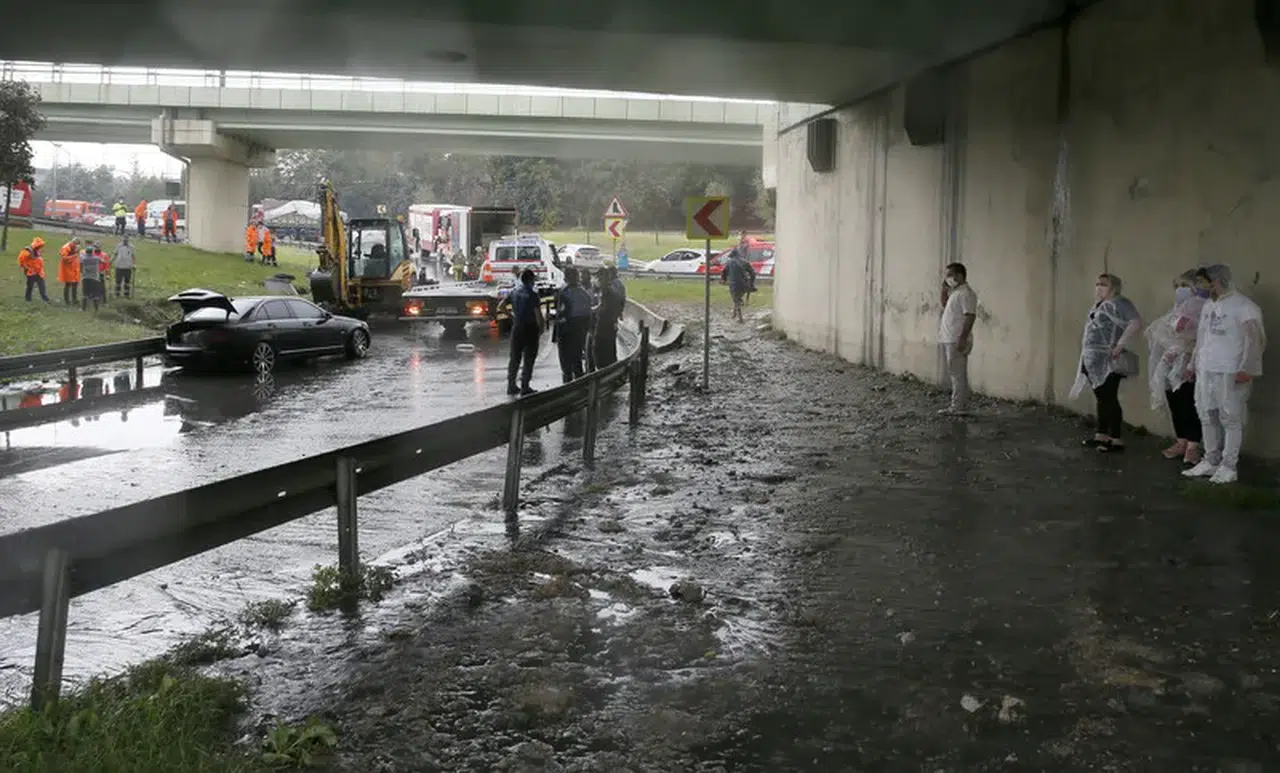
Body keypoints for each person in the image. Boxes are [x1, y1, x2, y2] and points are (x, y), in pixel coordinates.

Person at [1182, 264, 1266, 484]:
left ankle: (1229, 465)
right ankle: (1210, 460)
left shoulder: (1244, 307)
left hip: (1230, 370)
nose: (1199, 287)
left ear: (1217, 281)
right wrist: (1193, 364)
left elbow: (1255, 340)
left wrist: (1248, 368)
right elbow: (1202, 338)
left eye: (1203, 282)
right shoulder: (1209, 305)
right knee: (1206, 414)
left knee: (1231, 417)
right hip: (1206, 369)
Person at [1069, 273, 1143, 452]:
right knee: (1101, 397)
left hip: (1108, 359)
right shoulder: (1099, 305)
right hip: (1092, 358)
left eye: (1103, 284)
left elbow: (1135, 322)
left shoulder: (1120, 303)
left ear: (1114, 287)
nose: (1099, 287)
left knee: (1110, 397)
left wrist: (1120, 344)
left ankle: (1116, 438)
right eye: (1097, 284)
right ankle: (1101, 434)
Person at [1144, 269, 1207, 464]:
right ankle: (1181, 440)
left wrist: (1189, 356)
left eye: (1185, 286)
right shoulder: (1176, 309)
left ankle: (1193, 446)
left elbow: (1202, 337)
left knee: (1189, 403)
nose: (1181, 290)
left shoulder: (1203, 307)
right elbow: (1163, 330)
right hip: (1171, 361)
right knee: (1174, 401)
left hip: (1190, 362)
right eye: (1178, 286)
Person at [938, 262, 979, 415]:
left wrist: (962, 338)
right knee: (955, 373)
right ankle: (958, 405)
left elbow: (970, 316)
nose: (947, 278)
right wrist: (943, 291)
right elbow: (945, 305)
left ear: (959, 275)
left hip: (956, 339)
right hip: (950, 338)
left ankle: (958, 407)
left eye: (949, 275)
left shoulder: (966, 294)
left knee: (957, 374)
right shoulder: (956, 293)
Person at [506, 269, 544, 396]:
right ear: (531, 280)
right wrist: (541, 329)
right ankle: (525, 386)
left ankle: (511, 385)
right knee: (529, 358)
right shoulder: (533, 295)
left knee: (515, 358)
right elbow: (538, 314)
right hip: (530, 328)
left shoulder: (515, 292)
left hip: (517, 328)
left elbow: (500, 306)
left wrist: (512, 317)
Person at [554, 266, 593, 383]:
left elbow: (561, 314)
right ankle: (580, 385)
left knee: (565, 361)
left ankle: (567, 384)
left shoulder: (564, 293)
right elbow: (588, 314)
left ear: (566, 277)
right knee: (577, 359)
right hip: (580, 330)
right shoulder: (584, 294)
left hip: (566, 330)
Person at [594, 266, 626, 368]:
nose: (598, 280)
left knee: (602, 350)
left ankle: (606, 373)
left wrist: (594, 311)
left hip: (605, 325)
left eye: (600, 278)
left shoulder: (609, 291)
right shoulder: (605, 290)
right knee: (608, 349)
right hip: (609, 324)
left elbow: (605, 308)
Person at [720, 247, 756, 322]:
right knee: (737, 298)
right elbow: (753, 273)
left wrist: (723, 280)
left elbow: (723, 272)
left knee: (736, 300)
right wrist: (751, 284)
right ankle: (734, 314)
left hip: (733, 284)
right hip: (744, 284)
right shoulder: (745, 262)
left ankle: (740, 318)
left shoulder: (729, 262)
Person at [18, 237, 49, 303]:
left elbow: (38, 260)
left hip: (39, 272)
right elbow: (21, 260)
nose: (40, 247)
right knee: (30, 286)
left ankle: (45, 298)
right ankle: (28, 299)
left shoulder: (37, 251)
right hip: (31, 272)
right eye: (39, 246)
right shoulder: (27, 252)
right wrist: (26, 267)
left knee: (42, 285)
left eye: (40, 246)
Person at [58, 238, 82, 305]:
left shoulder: (75, 247)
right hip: (67, 269)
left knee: (75, 284)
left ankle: (74, 299)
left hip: (75, 269)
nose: (76, 248)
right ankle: (67, 301)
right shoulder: (65, 248)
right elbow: (64, 259)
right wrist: (74, 255)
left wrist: (76, 253)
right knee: (68, 284)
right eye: (76, 246)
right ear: (73, 243)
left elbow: (77, 256)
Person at [79, 242, 102, 311]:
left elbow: (80, 269)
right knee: (95, 295)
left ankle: (83, 309)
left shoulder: (83, 259)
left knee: (85, 294)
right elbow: (102, 261)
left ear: (86, 252)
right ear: (92, 252)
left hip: (85, 278)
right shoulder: (96, 258)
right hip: (95, 278)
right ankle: (96, 309)